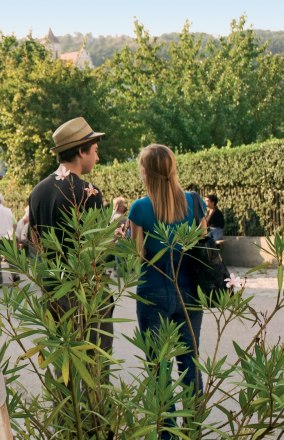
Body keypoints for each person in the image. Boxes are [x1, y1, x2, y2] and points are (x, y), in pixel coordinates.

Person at [128, 144, 206, 435]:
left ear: (145, 171)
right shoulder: (194, 203)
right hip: (189, 291)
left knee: (158, 367)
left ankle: (168, 433)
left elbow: (137, 256)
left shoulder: (140, 208)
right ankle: (194, 429)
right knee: (190, 363)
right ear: (173, 168)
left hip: (153, 291)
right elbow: (201, 243)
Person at [28, 116, 111, 352]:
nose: (97, 157)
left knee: (64, 367)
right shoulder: (88, 192)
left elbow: (34, 241)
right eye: (94, 150)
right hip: (83, 291)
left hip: (53, 288)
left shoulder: (37, 192)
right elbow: (96, 248)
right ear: (81, 152)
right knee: (95, 364)